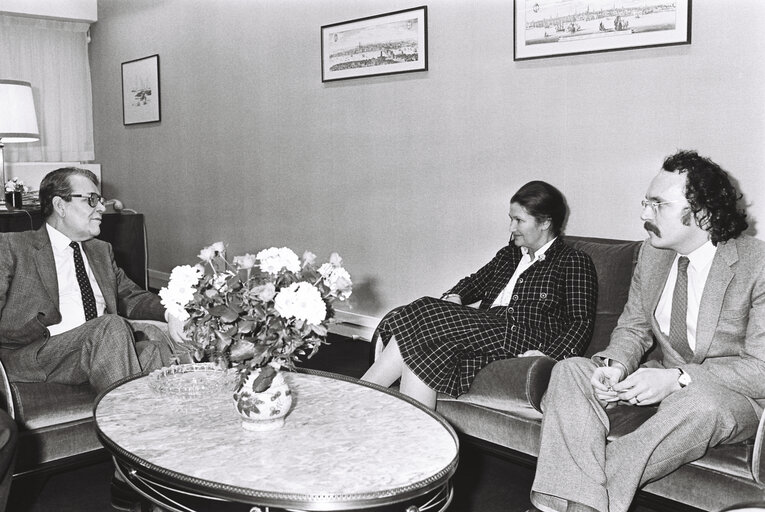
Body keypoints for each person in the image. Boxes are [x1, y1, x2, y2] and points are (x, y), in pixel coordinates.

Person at [529, 150, 765, 512]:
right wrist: (615, 366)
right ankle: (585, 503)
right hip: (661, 382)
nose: (644, 215)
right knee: (570, 370)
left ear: (701, 212)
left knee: (703, 402)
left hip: (728, 398)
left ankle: (577, 501)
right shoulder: (653, 255)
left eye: (657, 204)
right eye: (646, 203)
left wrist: (678, 379)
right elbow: (634, 327)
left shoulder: (757, 265)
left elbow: (760, 369)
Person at [361, 180, 598, 408]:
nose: (511, 228)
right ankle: (415, 441)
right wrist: (456, 296)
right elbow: (475, 282)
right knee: (425, 346)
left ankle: (358, 397)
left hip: (522, 334)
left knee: (424, 308)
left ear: (545, 222)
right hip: (489, 329)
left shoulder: (572, 261)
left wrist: (550, 355)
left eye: (519, 220)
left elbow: (580, 323)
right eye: (510, 219)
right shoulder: (510, 255)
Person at [0, 167, 187, 393]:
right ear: (60, 206)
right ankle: (126, 424)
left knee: (157, 349)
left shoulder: (100, 251)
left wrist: (174, 312)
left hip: (97, 350)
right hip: (37, 354)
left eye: (100, 200)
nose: (101, 207)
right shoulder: (13, 247)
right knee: (110, 325)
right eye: (92, 199)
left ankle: (164, 425)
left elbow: (132, 297)